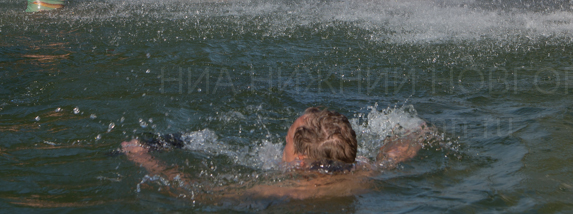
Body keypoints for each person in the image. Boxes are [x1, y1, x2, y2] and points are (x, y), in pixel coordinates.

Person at [120, 107, 428, 204]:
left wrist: (144, 158)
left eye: (286, 139)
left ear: (300, 161)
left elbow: (200, 195)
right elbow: (397, 151)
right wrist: (419, 133)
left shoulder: (287, 188)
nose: (282, 141)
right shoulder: (366, 170)